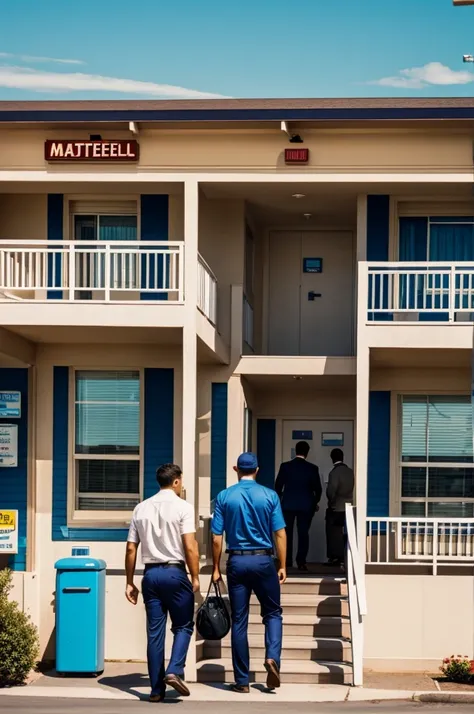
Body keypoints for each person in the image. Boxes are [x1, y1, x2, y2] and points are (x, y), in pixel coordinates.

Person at [211, 452, 287, 694]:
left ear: (236, 469)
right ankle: (272, 657)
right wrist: (283, 565)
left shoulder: (224, 496)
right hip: (264, 560)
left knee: (240, 621)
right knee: (273, 613)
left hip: (237, 561)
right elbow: (280, 534)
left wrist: (215, 567)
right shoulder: (269, 495)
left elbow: (216, 537)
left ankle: (242, 681)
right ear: (257, 469)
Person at [125, 463, 200, 703]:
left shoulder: (141, 508)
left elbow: (130, 548)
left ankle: (156, 690)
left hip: (150, 575)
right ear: (176, 481)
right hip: (175, 572)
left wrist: (129, 582)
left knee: (154, 634)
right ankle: (174, 670)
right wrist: (195, 575)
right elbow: (189, 546)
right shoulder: (184, 508)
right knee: (184, 626)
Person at [275, 441, 322, 571]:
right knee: (303, 533)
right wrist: (314, 503)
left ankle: (287, 561)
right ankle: (301, 562)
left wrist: (280, 500)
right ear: (307, 452)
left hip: (288, 505)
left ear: (296, 451)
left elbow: (278, 486)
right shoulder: (312, 468)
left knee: (286, 533)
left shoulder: (285, 466)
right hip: (306, 506)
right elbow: (318, 489)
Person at [326, 448, 354, 566]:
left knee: (333, 533)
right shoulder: (350, 471)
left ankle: (335, 557)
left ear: (332, 458)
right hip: (348, 507)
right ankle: (345, 556)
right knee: (346, 533)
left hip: (336, 507)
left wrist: (331, 502)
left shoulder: (334, 473)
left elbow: (331, 491)